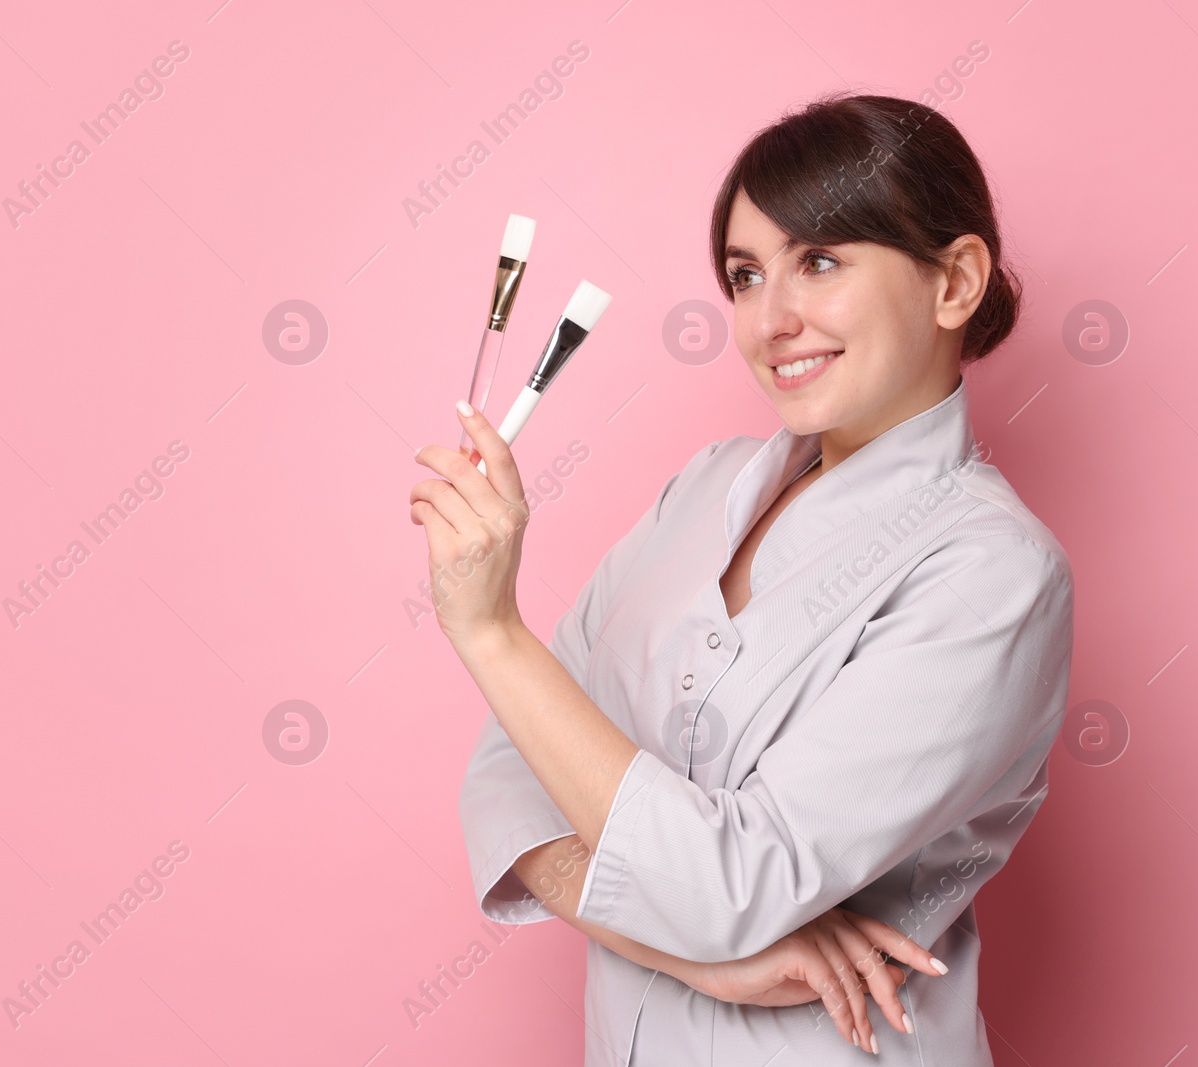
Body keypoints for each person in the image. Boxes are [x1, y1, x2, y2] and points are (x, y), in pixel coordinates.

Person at [408, 91, 1075, 1065]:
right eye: (744, 274)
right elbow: (506, 773)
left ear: (954, 281)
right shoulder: (702, 487)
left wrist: (490, 632)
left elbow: (731, 887)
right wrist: (691, 955)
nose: (771, 319)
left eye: (819, 261)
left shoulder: (994, 574)